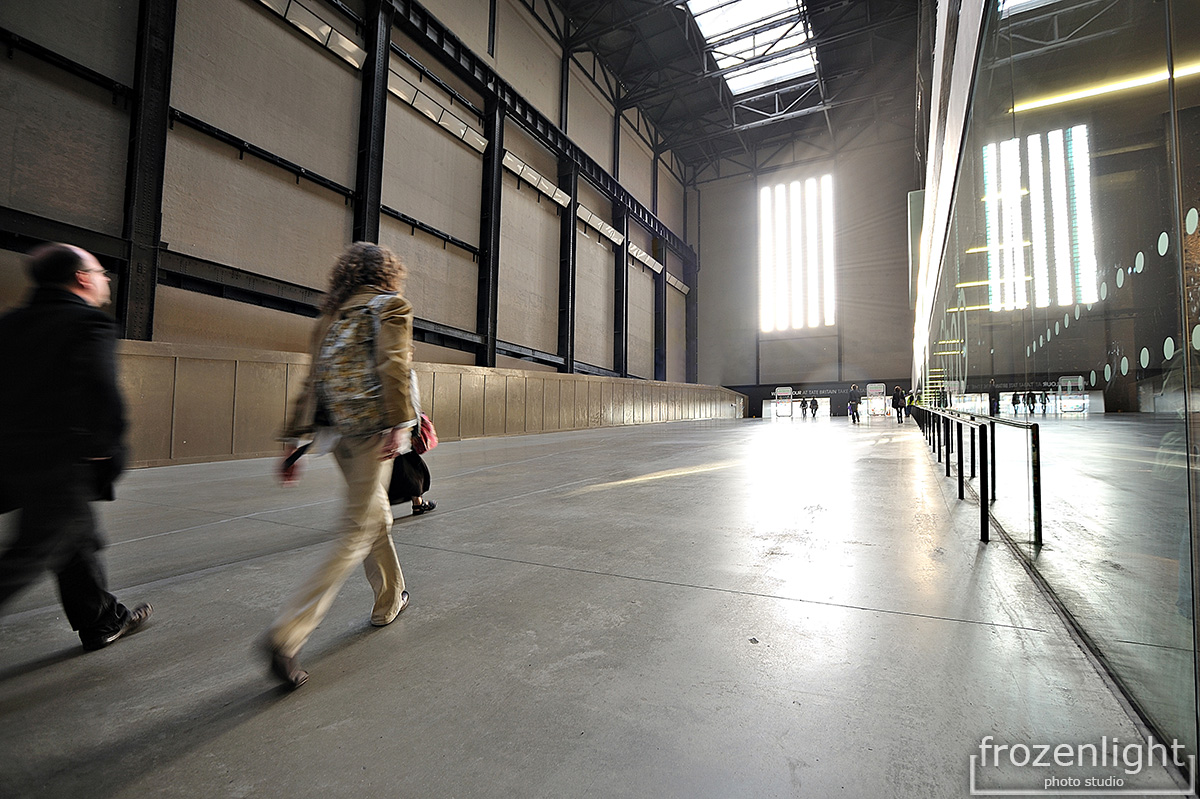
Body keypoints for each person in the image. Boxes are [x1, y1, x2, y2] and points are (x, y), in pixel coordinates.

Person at [268, 242, 418, 689]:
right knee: (357, 529)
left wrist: (293, 442)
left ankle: (390, 598)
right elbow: (393, 366)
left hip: (336, 434)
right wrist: (398, 424)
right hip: (373, 431)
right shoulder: (390, 306)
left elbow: (310, 382)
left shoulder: (327, 320)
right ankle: (287, 635)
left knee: (372, 515)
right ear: (387, 273)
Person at [0, 243, 152, 650]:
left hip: (10, 456)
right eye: (101, 271)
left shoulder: (11, 323)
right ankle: (102, 617)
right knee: (28, 555)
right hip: (60, 460)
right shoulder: (89, 323)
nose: (105, 279)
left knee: (74, 535)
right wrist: (105, 449)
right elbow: (101, 391)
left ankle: (103, 618)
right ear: (82, 278)